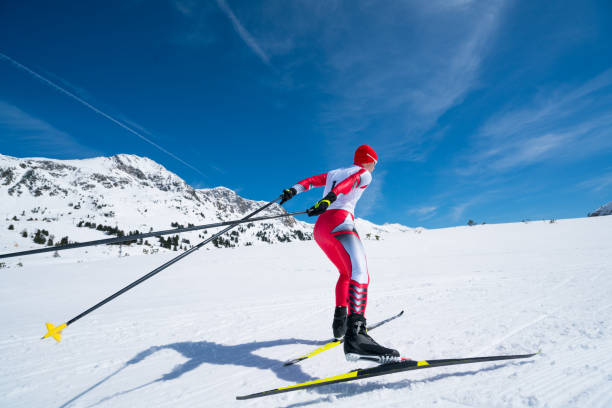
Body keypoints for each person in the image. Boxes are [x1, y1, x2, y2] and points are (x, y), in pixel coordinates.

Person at [280, 144, 399, 363]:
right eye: (375, 163)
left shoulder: (334, 173)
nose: (375, 167)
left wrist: (293, 190)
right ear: (369, 160)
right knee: (360, 271)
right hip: (339, 223)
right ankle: (356, 335)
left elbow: (311, 181)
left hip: (320, 229)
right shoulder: (364, 174)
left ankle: (340, 324)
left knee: (346, 273)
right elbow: (350, 183)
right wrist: (330, 198)